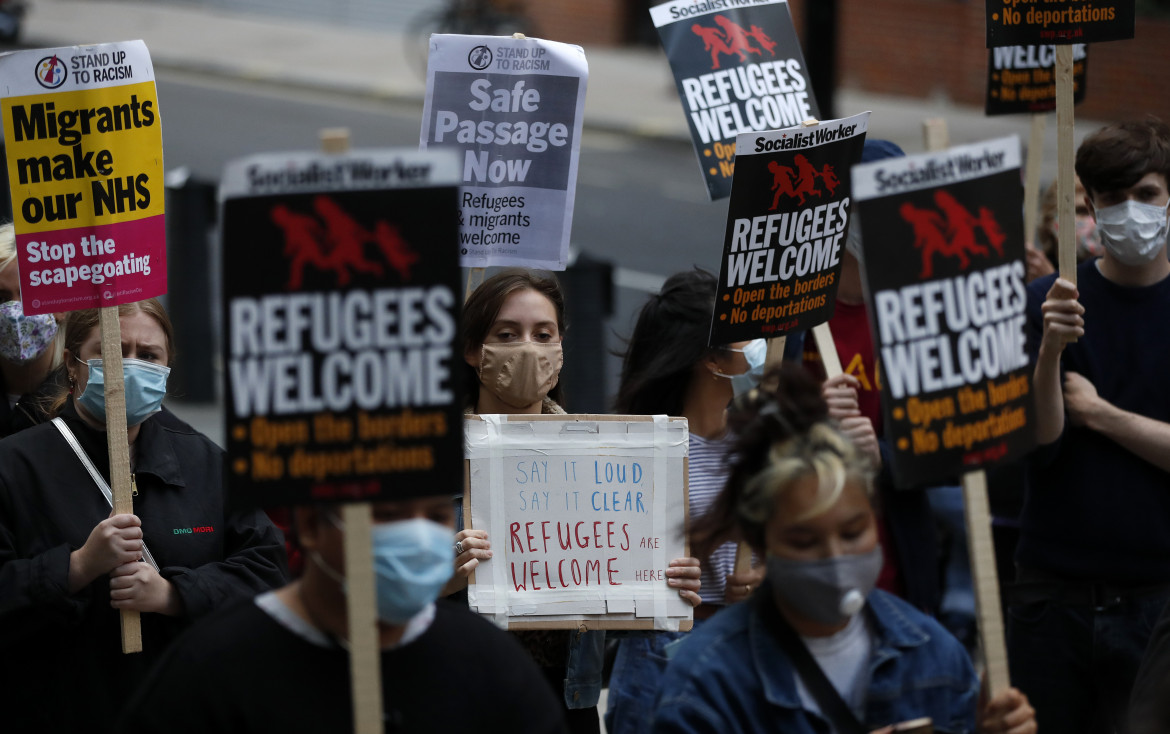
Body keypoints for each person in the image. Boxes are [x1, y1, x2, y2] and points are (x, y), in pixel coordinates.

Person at [651, 365, 1036, 734]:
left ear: (875, 519)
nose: (834, 557)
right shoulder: (705, 682)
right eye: (805, 541)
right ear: (763, 541)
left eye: (852, 533)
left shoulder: (935, 656)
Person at [0, 299, 288, 732]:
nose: (127, 367)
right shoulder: (13, 465)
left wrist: (175, 594)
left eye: (147, 355)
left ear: (168, 366)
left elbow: (268, 571)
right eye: (109, 352)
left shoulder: (205, 462)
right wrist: (75, 567)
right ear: (72, 364)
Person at [451, 268, 702, 734]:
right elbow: (375, 595)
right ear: (472, 350)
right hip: (461, 698)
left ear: (560, 350)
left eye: (542, 334)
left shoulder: (602, 456)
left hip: (565, 704)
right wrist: (445, 575)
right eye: (508, 334)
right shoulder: (433, 460)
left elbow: (617, 594)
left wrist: (667, 585)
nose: (528, 347)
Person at [117, 495, 566, 733]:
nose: (417, 535)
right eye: (388, 515)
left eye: (434, 514)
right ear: (312, 527)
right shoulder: (212, 670)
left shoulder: (491, 663)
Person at [1011, 117, 1170, 733]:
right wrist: (1051, 350)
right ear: (1093, 205)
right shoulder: (1052, 300)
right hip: (1054, 594)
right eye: (1112, 198)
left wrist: (1102, 416)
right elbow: (1041, 445)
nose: (1130, 212)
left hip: (1157, 600)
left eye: (1147, 195)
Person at [605, 268, 767, 734]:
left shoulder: (767, 441)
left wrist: (766, 578)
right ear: (709, 358)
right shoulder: (635, 450)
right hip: (661, 661)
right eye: (746, 337)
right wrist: (656, 578)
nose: (759, 346)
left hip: (750, 651)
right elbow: (601, 565)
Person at [797, 140, 942, 619]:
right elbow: (741, 425)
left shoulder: (922, 311)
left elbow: (952, 438)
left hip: (892, 573)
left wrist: (885, 455)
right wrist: (810, 419)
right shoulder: (787, 314)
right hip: (800, 566)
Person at [0, 223, 64, 437]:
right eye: (1, 298)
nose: (15, 312)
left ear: (61, 305)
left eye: (30, 294)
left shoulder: (85, 400)